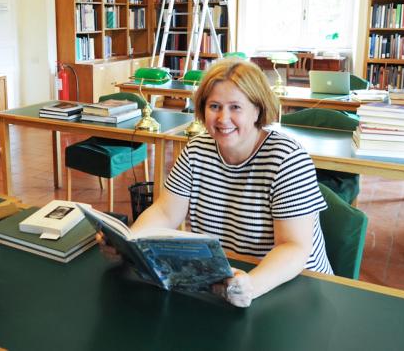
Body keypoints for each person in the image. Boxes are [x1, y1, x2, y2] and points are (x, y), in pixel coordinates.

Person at [102, 58, 332, 307]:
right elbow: (166, 211)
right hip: (225, 281)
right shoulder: (196, 149)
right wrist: (130, 243)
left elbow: (294, 247)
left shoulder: (287, 158)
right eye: (214, 106)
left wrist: (250, 286)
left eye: (235, 107)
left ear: (257, 109)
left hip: (290, 286)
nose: (223, 118)